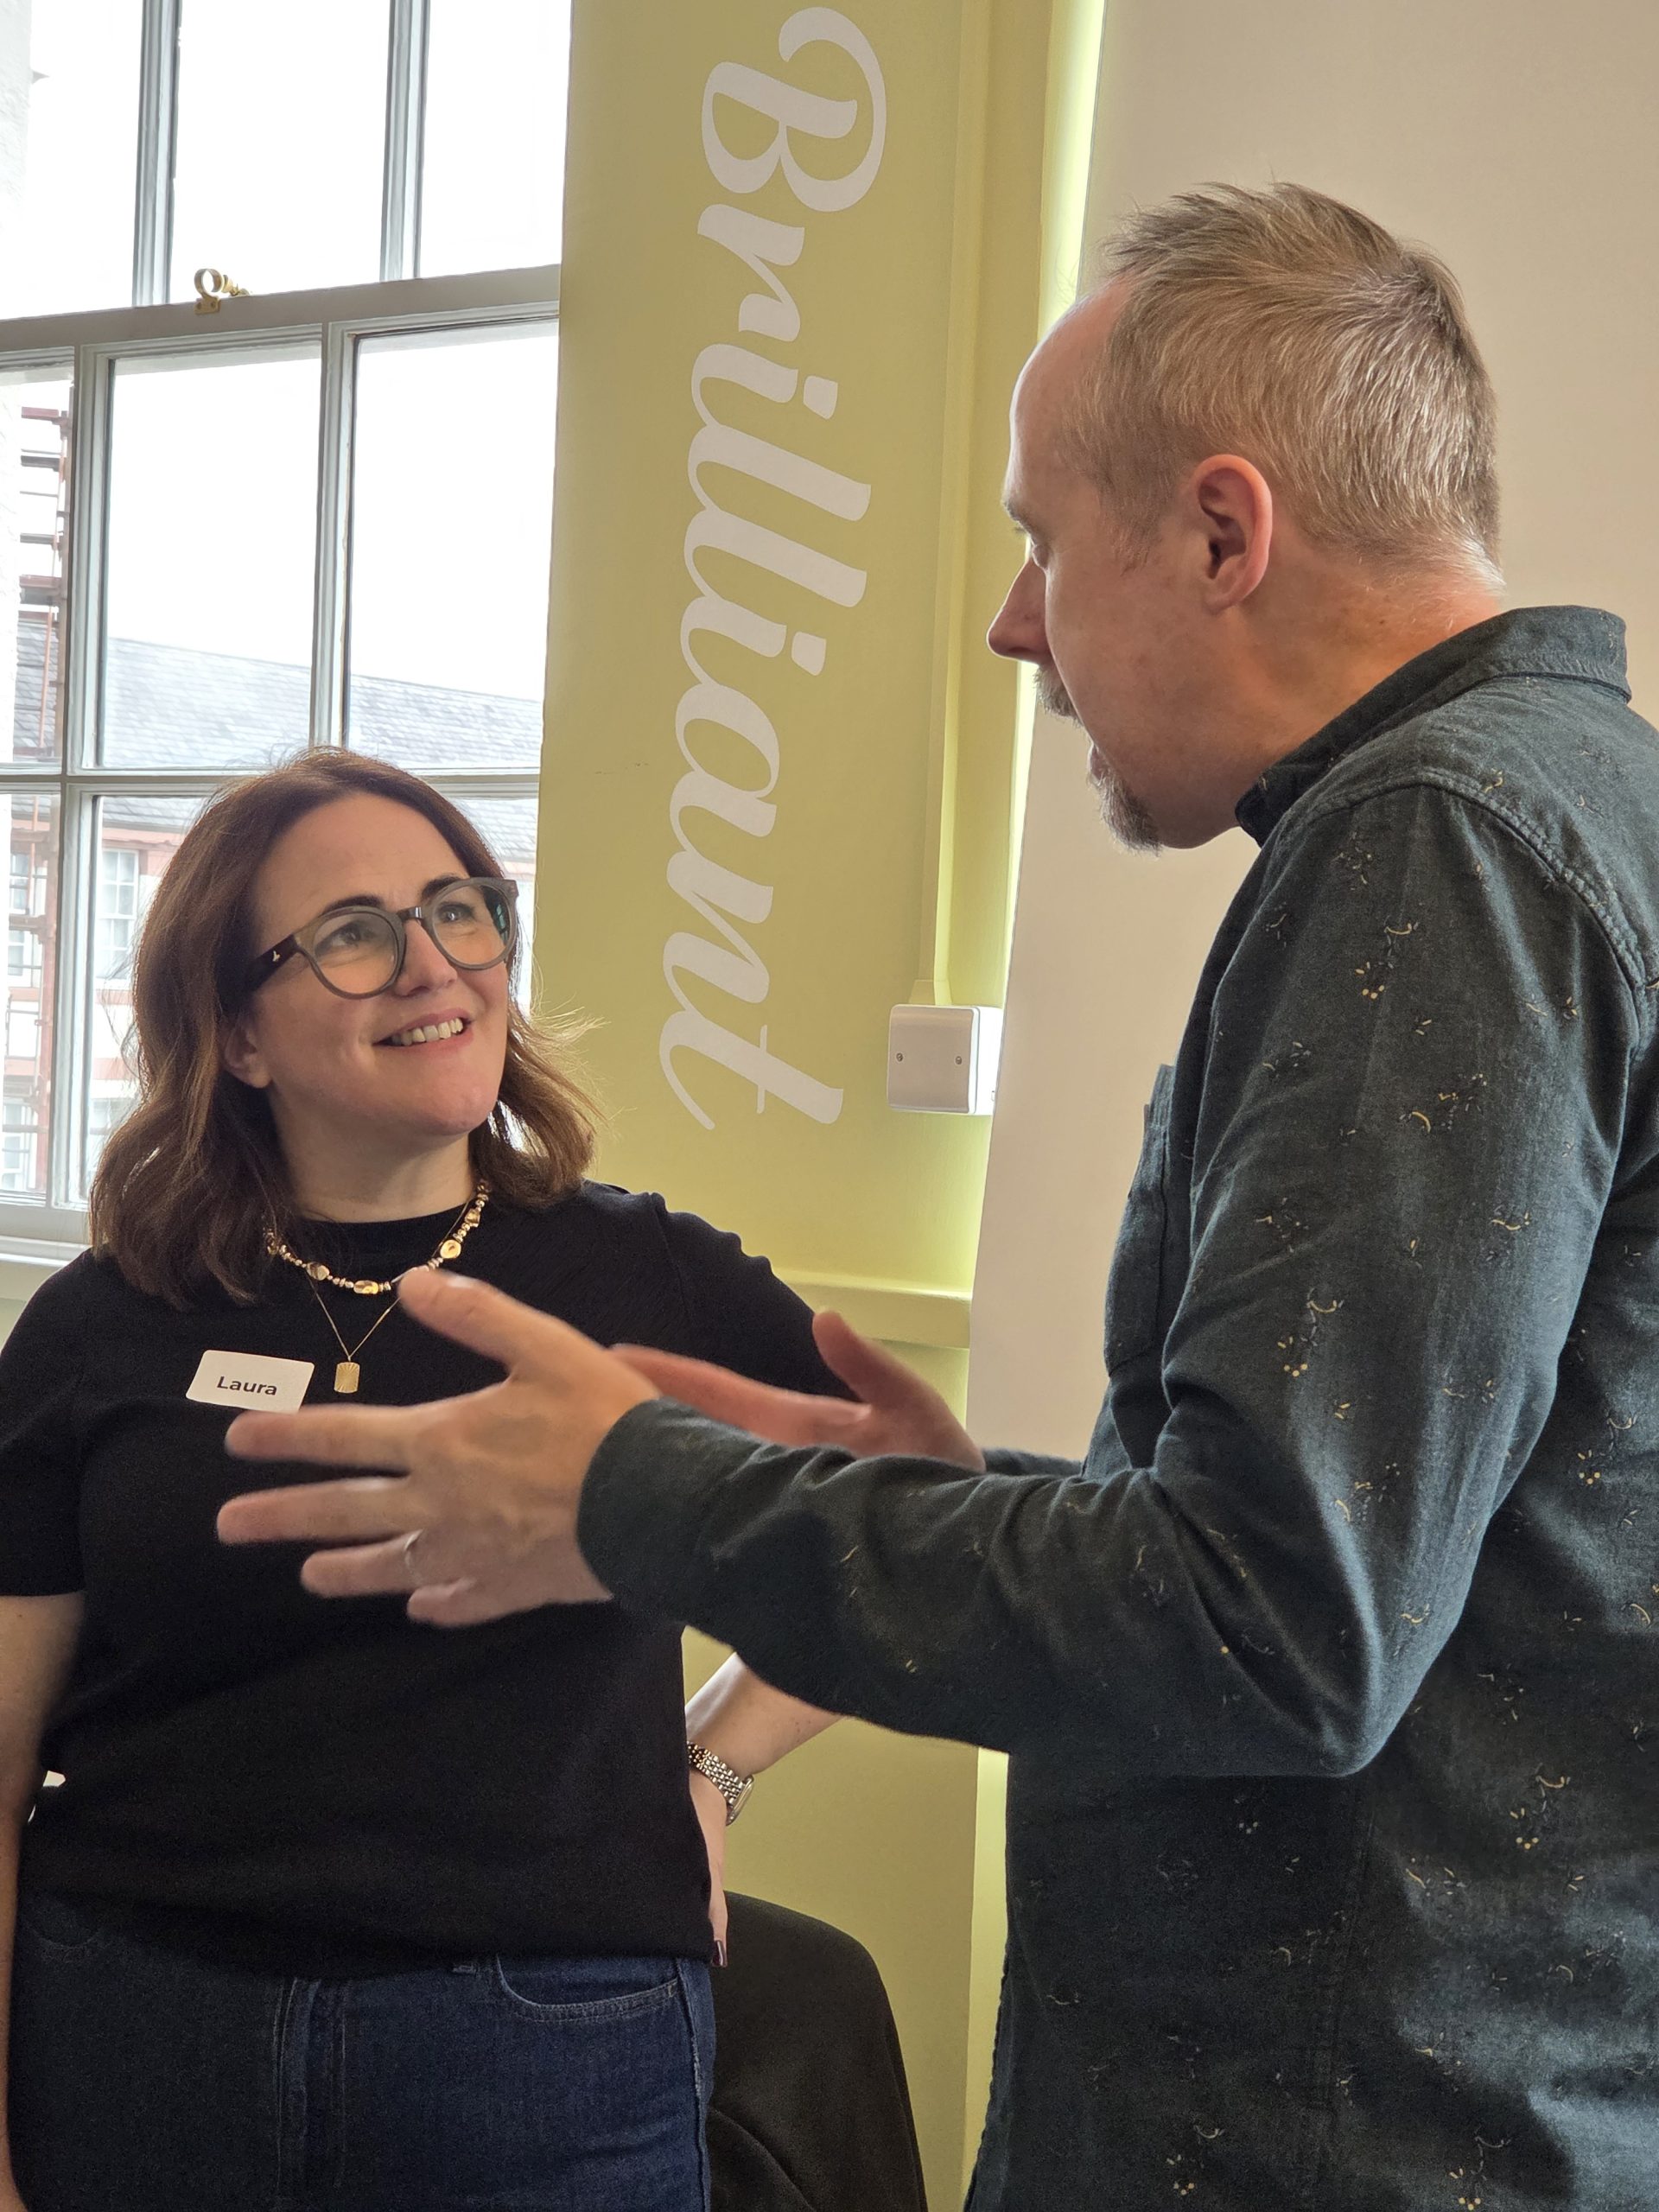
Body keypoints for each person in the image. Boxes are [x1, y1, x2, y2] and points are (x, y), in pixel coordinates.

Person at [218, 183, 1659, 2209]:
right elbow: (1405, 1546)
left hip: (1329, 2133)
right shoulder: (1570, 802)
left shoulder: (1445, 843)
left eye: (1043, 541)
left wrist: (627, 1490)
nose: (1013, 624)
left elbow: (1278, 1628)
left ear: (1223, 532)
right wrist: (978, 1506)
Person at [0, 749, 847, 2212]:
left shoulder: (647, 1278)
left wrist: (712, 1766)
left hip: (549, 2051)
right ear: (239, 1034)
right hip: (142, 2033)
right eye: (353, 933)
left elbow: (912, 1521)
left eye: (461, 909)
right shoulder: (105, 1322)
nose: (432, 963)